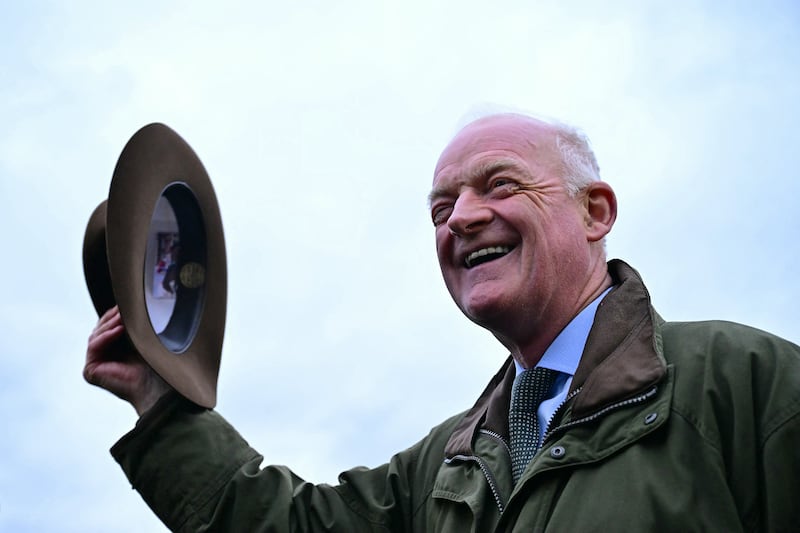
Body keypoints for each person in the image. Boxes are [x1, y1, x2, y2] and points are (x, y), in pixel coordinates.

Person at [85, 112, 800, 532]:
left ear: (596, 212)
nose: (461, 217)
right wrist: (161, 403)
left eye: (500, 184)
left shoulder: (746, 383)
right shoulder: (447, 464)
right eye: (440, 208)